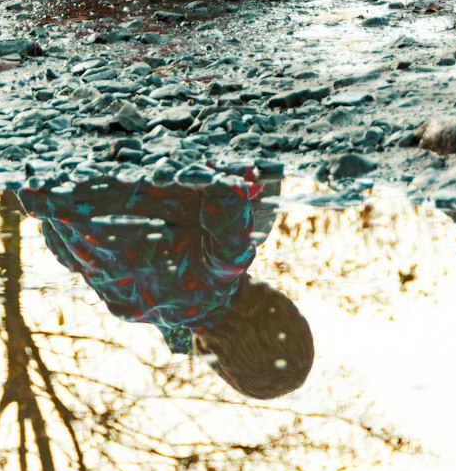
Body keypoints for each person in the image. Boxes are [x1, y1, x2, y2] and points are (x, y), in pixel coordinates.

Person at [18, 169, 315, 400]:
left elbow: (225, 182)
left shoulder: (226, 266)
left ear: (279, 308)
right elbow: (58, 244)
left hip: (133, 170)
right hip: (51, 194)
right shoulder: (130, 309)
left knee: (253, 193)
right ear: (221, 358)